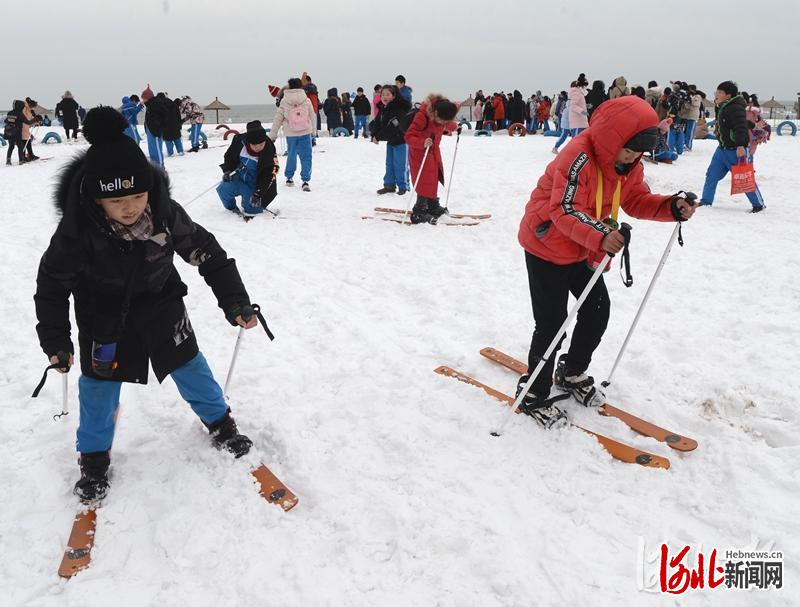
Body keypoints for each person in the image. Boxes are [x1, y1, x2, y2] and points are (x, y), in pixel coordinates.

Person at [34, 107, 259, 502]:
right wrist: (56, 342)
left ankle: (221, 423)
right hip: (103, 320)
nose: (130, 207)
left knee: (191, 366)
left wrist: (236, 302)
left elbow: (209, 254)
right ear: (95, 197)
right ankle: (94, 459)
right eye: (117, 199)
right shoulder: (77, 231)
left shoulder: (164, 215)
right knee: (100, 388)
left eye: (137, 195)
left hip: (162, 308)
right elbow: (52, 285)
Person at [516, 96, 697, 428]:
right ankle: (533, 393)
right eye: (627, 150)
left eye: (637, 153)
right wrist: (601, 235)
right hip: (548, 244)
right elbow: (564, 209)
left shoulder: (628, 165)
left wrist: (671, 207)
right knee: (553, 323)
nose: (630, 158)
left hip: (585, 248)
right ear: (613, 137)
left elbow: (636, 199)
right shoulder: (579, 156)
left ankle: (571, 372)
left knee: (598, 309)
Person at [699, 81, 765, 213]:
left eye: (719, 93)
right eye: (716, 92)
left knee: (744, 178)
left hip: (736, 150)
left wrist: (740, 146)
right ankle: (706, 201)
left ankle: (758, 204)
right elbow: (742, 122)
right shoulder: (724, 106)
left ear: (728, 95)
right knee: (711, 175)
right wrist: (753, 126)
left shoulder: (734, 107)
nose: (716, 94)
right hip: (722, 149)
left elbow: (740, 126)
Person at [404, 94, 459, 224]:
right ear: (435, 113)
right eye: (442, 121)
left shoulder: (442, 111)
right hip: (420, 153)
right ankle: (419, 211)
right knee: (424, 180)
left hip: (433, 151)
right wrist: (422, 142)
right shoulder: (422, 116)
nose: (443, 124)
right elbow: (409, 136)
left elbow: (447, 122)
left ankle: (432, 205)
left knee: (433, 178)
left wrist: (455, 127)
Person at [217, 120, 278, 217]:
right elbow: (229, 157)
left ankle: (253, 206)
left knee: (252, 209)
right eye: (255, 145)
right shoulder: (239, 142)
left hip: (255, 184)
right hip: (239, 177)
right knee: (223, 189)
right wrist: (227, 170)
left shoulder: (269, 149)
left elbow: (269, 174)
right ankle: (231, 209)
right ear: (248, 142)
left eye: (261, 144)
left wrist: (259, 194)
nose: (258, 147)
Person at [269, 77, 316, 191]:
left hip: (291, 133)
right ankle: (305, 181)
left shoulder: (284, 101)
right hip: (305, 132)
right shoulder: (306, 100)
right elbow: (312, 116)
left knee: (291, 155)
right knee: (306, 157)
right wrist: (314, 132)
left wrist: (272, 136)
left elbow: (278, 119)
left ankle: (289, 178)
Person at [370, 84, 412, 195]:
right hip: (391, 141)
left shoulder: (398, 108)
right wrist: (374, 134)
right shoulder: (383, 108)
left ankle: (404, 187)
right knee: (389, 164)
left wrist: (379, 136)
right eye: (383, 94)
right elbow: (376, 123)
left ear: (393, 96)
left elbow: (393, 127)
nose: (385, 97)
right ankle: (389, 185)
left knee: (400, 165)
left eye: (388, 94)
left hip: (401, 141)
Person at [141, 85, 167, 166]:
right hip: (151, 130)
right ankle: (155, 166)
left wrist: (158, 125)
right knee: (152, 149)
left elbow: (165, 114)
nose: (142, 99)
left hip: (155, 130)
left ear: (148, 97)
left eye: (143, 98)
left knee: (157, 149)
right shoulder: (150, 104)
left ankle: (160, 166)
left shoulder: (155, 103)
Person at [4, 100, 32, 165]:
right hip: (17, 133)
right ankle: (21, 160)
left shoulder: (9, 113)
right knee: (20, 146)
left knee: (11, 146)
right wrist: (35, 120)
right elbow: (27, 122)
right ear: (20, 106)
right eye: (22, 106)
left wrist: (12, 121)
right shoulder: (20, 113)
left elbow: (6, 121)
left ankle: (8, 160)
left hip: (9, 132)